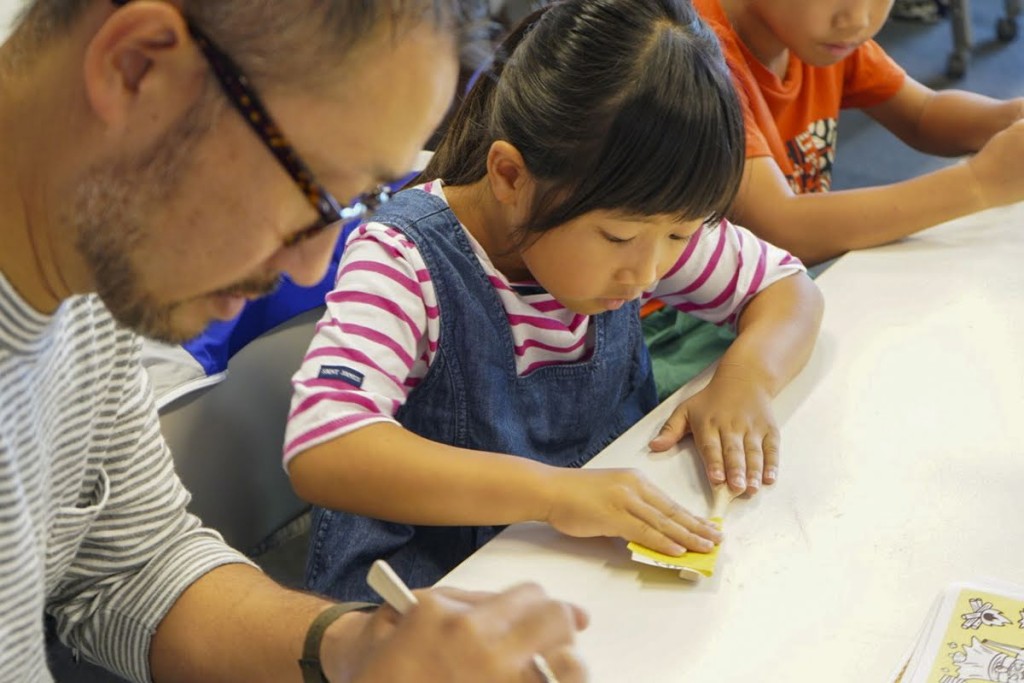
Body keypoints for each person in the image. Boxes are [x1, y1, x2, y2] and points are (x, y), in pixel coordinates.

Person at [0, 0, 592, 681]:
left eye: (361, 201)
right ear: (136, 67)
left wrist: (354, 647)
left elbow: (134, 565)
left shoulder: (89, 278)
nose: (311, 267)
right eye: (316, 191)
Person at [285, 0, 824, 604]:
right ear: (511, 177)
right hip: (429, 600)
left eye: (681, 236)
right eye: (617, 238)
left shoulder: (642, 218)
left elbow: (788, 287)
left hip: (576, 577)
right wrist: (553, 494)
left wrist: (746, 378)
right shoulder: (404, 261)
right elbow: (324, 447)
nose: (648, 273)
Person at [689, 0, 1024, 266]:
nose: (859, 20)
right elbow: (780, 228)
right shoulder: (696, 55)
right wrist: (979, 184)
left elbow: (922, 113)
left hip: (762, 280)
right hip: (685, 313)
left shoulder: (811, 34)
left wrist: (1010, 116)